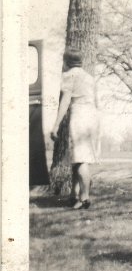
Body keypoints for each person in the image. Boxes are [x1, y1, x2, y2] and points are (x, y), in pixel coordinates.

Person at [50, 49, 99, 210]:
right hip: (92, 116)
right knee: (79, 157)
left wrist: (56, 124)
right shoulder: (89, 77)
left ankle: (84, 198)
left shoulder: (69, 75)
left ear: (66, 62)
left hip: (80, 115)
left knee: (80, 159)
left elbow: (65, 102)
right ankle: (74, 194)